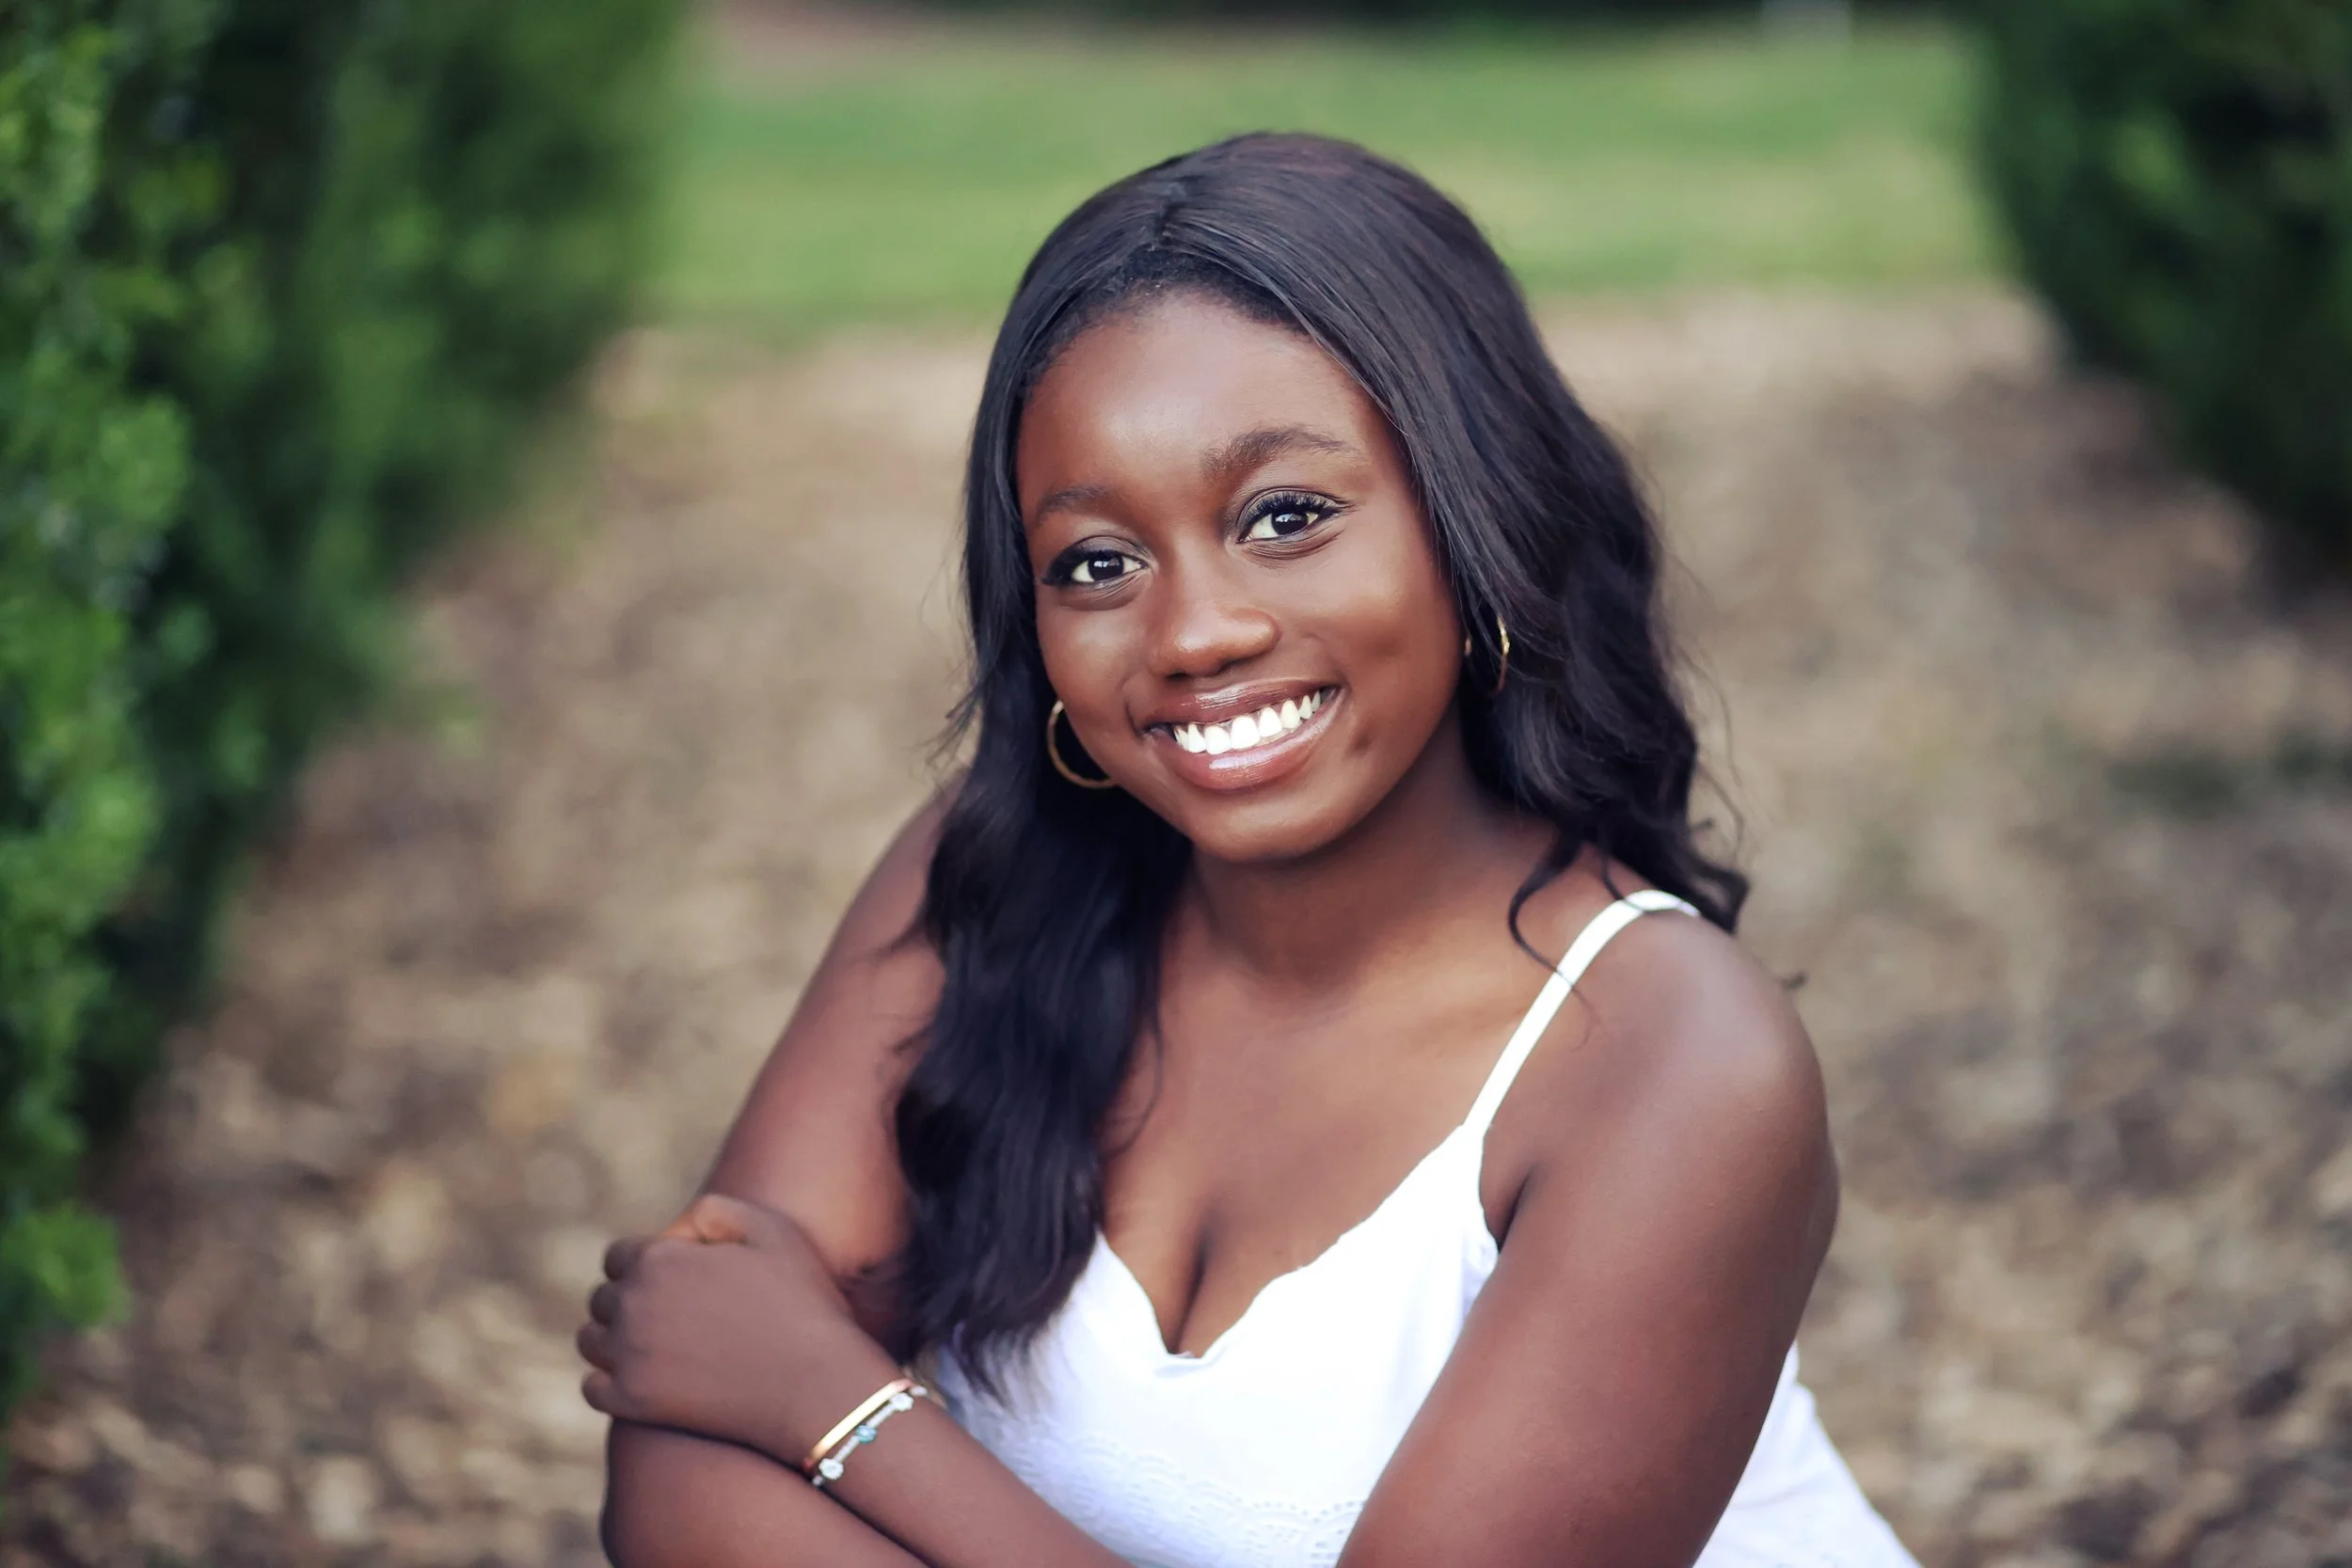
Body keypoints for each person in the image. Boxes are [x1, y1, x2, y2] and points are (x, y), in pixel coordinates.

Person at [576, 133, 1917, 1568]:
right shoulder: (981, 885)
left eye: (1286, 516)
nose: (1196, 631)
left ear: (1477, 528)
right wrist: (766, 1394)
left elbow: (759, 1383)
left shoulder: (1675, 1064)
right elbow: (684, 1467)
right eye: (1097, 560)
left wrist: (842, 1411)